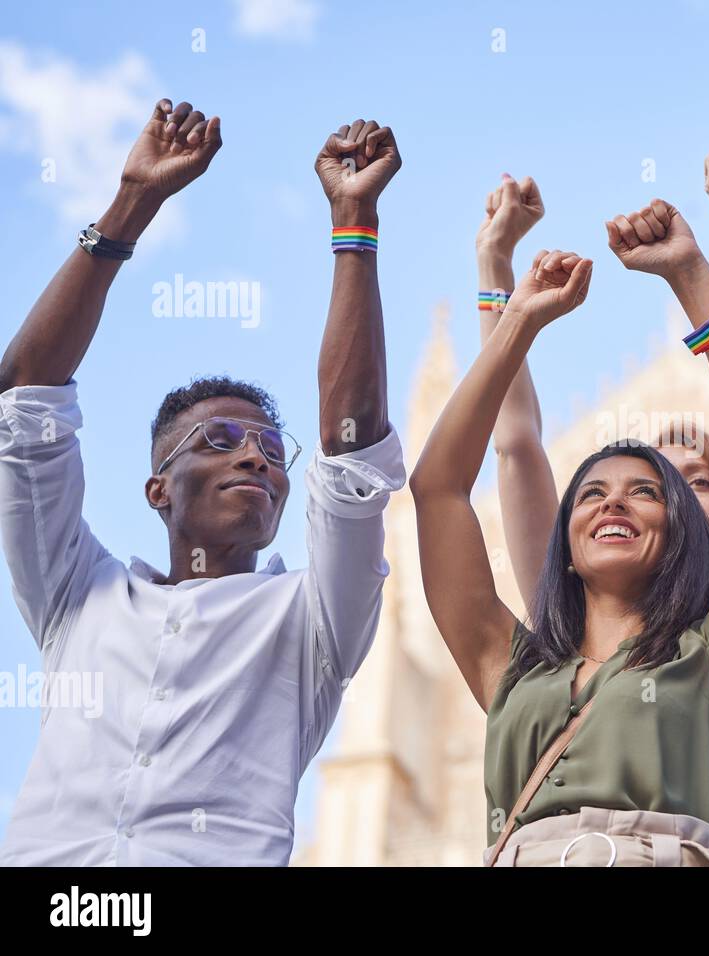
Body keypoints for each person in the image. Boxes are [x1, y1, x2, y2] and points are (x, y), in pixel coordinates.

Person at [0, 103, 406, 866]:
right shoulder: (74, 595)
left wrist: (355, 223)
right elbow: (24, 402)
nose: (255, 457)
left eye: (269, 449)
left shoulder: (311, 621)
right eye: (218, 440)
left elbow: (352, 455)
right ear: (159, 490)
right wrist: (134, 202)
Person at [410, 200, 709, 866]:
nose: (614, 504)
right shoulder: (524, 667)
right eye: (590, 492)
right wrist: (513, 309)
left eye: (661, 489)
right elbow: (458, 478)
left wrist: (699, 268)